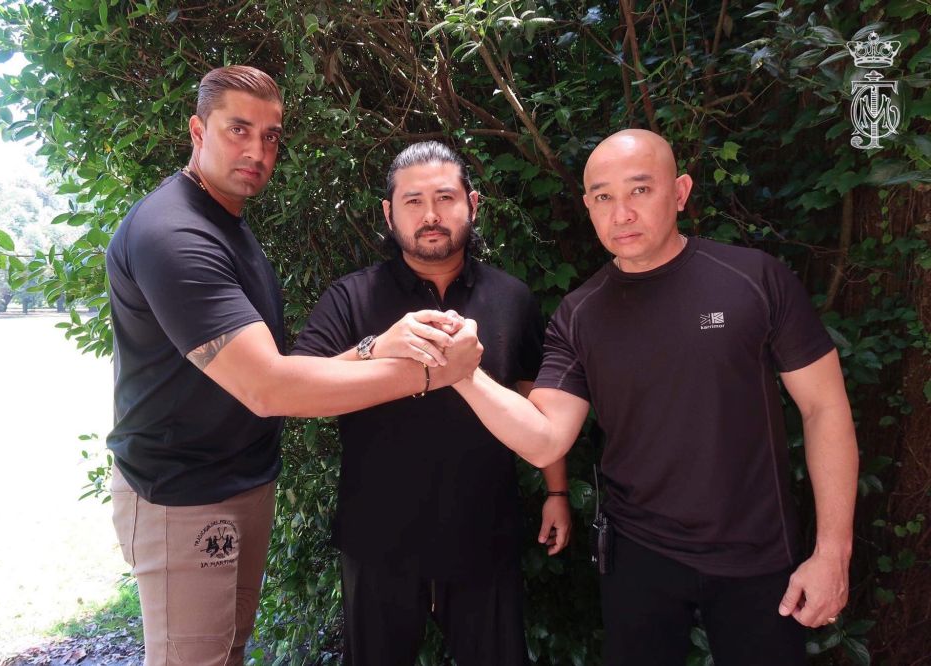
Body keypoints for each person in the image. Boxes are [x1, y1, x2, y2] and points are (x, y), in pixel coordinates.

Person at [105, 68, 481, 666]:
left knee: (227, 652)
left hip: (242, 479)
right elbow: (267, 388)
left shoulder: (225, 222)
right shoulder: (174, 235)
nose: (256, 151)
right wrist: (436, 371)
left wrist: (374, 348)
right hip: (183, 495)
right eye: (238, 130)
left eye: (272, 136)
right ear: (197, 131)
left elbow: (275, 370)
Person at [452, 129, 858, 665]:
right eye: (603, 197)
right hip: (638, 555)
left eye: (640, 190)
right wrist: (465, 376)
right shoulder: (580, 314)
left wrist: (833, 553)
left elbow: (824, 408)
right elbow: (544, 439)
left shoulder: (754, 280)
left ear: (681, 191)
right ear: (588, 207)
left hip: (756, 551)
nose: (621, 213)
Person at [292, 141, 571, 665]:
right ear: (388, 213)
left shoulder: (512, 298)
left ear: (473, 203)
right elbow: (299, 390)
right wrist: (377, 349)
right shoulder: (352, 298)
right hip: (379, 539)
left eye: (445, 198)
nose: (431, 215)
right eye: (413, 201)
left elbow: (537, 400)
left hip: (484, 531)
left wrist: (556, 489)